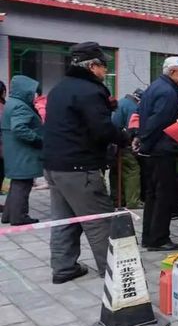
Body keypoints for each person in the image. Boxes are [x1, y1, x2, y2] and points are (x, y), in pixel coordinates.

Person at [43, 42, 127, 283]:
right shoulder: (90, 91)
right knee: (99, 222)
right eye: (103, 67)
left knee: (63, 220)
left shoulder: (60, 88)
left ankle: (63, 267)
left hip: (54, 165)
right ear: (92, 66)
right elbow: (101, 130)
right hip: (80, 168)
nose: (105, 72)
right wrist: (123, 136)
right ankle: (116, 274)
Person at [137, 56, 178, 251]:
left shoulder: (155, 87)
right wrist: (146, 142)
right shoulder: (168, 92)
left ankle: (149, 236)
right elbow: (158, 122)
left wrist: (143, 141)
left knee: (152, 196)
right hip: (162, 149)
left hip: (154, 149)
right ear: (173, 71)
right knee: (163, 196)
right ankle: (158, 238)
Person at [1, 75, 43, 225]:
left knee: (16, 184)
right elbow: (19, 128)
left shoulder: (12, 103)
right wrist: (38, 139)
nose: (34, 95)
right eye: (32, 92)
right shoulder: (20, 106)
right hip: (23, 152)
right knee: (23, 185)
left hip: (15, 152)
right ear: (25, 91)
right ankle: (19, 217)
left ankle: (8, 215)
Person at [110, 88, 144, 208]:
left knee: (115, 172)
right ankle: (133, 202)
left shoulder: (121, 102)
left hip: (111, 143)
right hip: (122, 144)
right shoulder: (133, 107)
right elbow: (132, 128)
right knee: (132, 170)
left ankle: (116, 200)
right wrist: (131, 142)